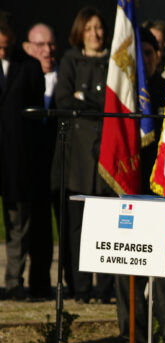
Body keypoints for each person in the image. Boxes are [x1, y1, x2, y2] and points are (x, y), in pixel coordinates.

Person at [100, 27, 165, 343]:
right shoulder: (120, 96)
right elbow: (104, 141)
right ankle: (132, 341)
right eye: (138, 55)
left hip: (160, 192)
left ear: (158, 56)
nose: (144, 60)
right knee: (125, 269)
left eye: (149, 53)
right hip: (128, 192)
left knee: (164, 274)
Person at [53, 6, 113, 303]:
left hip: (105, 154)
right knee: (77, 226)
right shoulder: (70, 60)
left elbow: (112, 102)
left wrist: (84, 97)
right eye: (88, 28)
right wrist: (92, 102)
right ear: (80, 32)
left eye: (98, 28)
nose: (94, 34)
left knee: (105, 224)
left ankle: (104, 289)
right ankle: (80, 288)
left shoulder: (114, 62)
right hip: (76, 156)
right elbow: (62, 99)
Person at [0, 11, 45, 300]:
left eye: (5, 47)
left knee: (18, 223)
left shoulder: (29, 67)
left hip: (16, 160)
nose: (2, 51)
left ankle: (13, 281)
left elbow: (35, 114)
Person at [22, 22, 59, 300]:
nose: (47, 51)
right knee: (35, 226)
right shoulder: (22, 76)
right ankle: (36, 284)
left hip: (59, 160)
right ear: (27, 48)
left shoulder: (63, 77)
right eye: (40, 45)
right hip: (30, 162)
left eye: (51, 45)